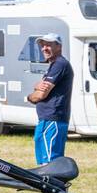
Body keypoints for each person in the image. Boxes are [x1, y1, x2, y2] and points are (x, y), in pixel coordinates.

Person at [27, 32, 74, 166]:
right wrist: (36, 86)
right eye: (42, 45)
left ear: (59, 47)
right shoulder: (53, 66)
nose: (44, 48)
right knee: (43, 162)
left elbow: (41, 94)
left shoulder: (60, 64)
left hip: (53, 120)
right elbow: (40, 88)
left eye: (48, 45)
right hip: (45, 119)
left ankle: (55, 186)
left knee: (51, 163)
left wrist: (30, 96)